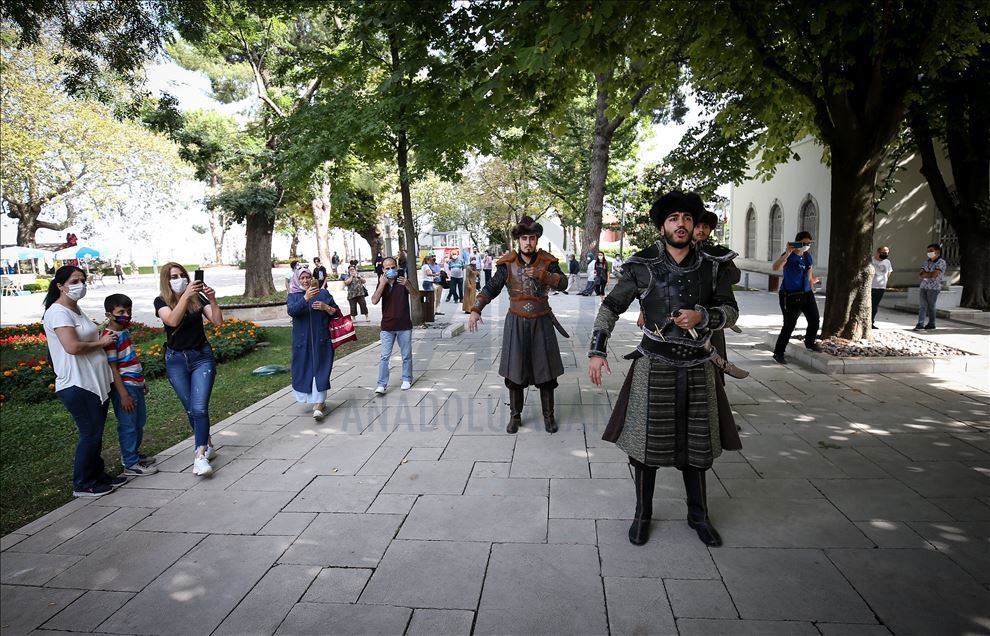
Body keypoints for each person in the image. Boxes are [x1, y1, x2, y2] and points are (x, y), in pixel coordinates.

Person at [588, 190, 741, 547]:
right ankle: (643, 514)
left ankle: (698, 515)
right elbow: (610, 307)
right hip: (653, 364)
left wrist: (704, 315)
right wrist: (597, 350)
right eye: (673, 219)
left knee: (697, 448)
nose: (681, 224)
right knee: (645, 448)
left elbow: (731, 310)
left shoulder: (713, 264)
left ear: (694, 223)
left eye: (687, 218)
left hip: (699, 364)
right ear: (662, 226)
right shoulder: (643, 266)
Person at [468, 216, 568, 434]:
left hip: (542, 321)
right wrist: (476, 309)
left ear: (536, 239)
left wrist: (544, 275)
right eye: (524, 238)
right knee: (515, 371)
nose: (528, 243)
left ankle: (548, 417)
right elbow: (491, 288)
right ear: (518, 241)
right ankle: (515, 416)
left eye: (532, 238)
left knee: (547, 373)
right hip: (516, 322)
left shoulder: (548, 261)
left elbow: (564, 283)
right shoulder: (507, 264)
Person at [43, 266, 126, 497]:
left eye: (83, 280)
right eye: (74, 281)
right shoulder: (59, 312)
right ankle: (83, 483)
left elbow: (85, 337)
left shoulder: (75, 310)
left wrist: (102, 334)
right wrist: (102, 343)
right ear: (60, 286)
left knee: (96, 433)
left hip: (94, 383)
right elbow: (72, 347)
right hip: (78, 385)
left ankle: (97, 475)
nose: (80, 284)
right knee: (89, 433)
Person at [154, 262, 223, 477]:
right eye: (173, 276)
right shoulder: (161, 301)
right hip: (176, 360)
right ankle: (207, 443)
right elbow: (173, 320)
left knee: (200, 407)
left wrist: (211, 299)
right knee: (191, 409)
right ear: (166, 280)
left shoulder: (197, 298)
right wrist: (184, 296)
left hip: (201, 357)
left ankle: (199, 456)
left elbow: (218, 321)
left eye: (182, 275)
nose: (179, 279)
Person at [102, 293, 157, 476]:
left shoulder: (123, 332)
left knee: (138, 422)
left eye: (128, 311)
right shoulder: (110, 337)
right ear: (109, 314)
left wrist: (142, 381)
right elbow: (113, 368)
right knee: (128, 424)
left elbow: (131, 359)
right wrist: (123, 394)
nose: (126, 315)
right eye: (121, 311)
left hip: (135, 384)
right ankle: (130, 463)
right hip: (124, 387)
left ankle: (134, 454)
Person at [287, 267, 339, 418]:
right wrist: (305, 298)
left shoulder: (323, 293)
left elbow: (336, 313)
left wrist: (326, 307)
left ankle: (319, 403)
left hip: (321, 340)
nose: (305, 281)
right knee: (304, 370)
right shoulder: (294, 296)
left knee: (321, 370)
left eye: (308, 277)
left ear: (312, 278)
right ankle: (313, 400)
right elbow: (292, 311)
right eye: (302, 278)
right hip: (302, 342)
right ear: (297, 280)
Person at [771, 231, 821, 364]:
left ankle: (810, 342)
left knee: (814, 319)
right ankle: (779, 352)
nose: (806, 246)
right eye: (804, 243)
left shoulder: (807, 257)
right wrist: (786, 254)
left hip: (806, 293)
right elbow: (775, 268)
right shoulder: (789, 255)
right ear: (797, 242)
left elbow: (809, 274)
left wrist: (812, 284)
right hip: (789, 295)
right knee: (789, 325)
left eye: (809, 243)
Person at [371, 257, 419, 394]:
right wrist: (382, 284)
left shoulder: (402, 281)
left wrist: (408, 284)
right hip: (387, 326)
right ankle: (382, 384)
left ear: (397, 267)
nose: (391, 270)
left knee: (406, 355)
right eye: (387, 268)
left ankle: (407, 379)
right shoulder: (382, 283)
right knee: (384, 356)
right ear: (383, 270)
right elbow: (374, 300)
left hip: (404, 325)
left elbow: (416, 297)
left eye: (393, 267)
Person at [915, 243, 946, 331]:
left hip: (934, 287)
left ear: (937, 252)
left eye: (931, 251)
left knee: (931, 306)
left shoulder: (941, 262)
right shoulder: (926, 262)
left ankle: (931, 323)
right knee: (922, 306)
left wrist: (926, 274)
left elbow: (934, 274)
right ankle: (920, 324)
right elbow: (921, 274)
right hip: (924, 286)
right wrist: (927, 274)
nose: (929, 253)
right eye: (928, 251)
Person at [871, 246, 893, 329]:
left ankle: (871, 322)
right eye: (883, 253)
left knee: (875, 306)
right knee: (869, 305)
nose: (885, 255)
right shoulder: (871, 260)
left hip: (881, 287)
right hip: (871, 287)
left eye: (887, 253)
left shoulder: (887, 262)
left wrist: (884, 280)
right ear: (877, 252)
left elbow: (889, 272)